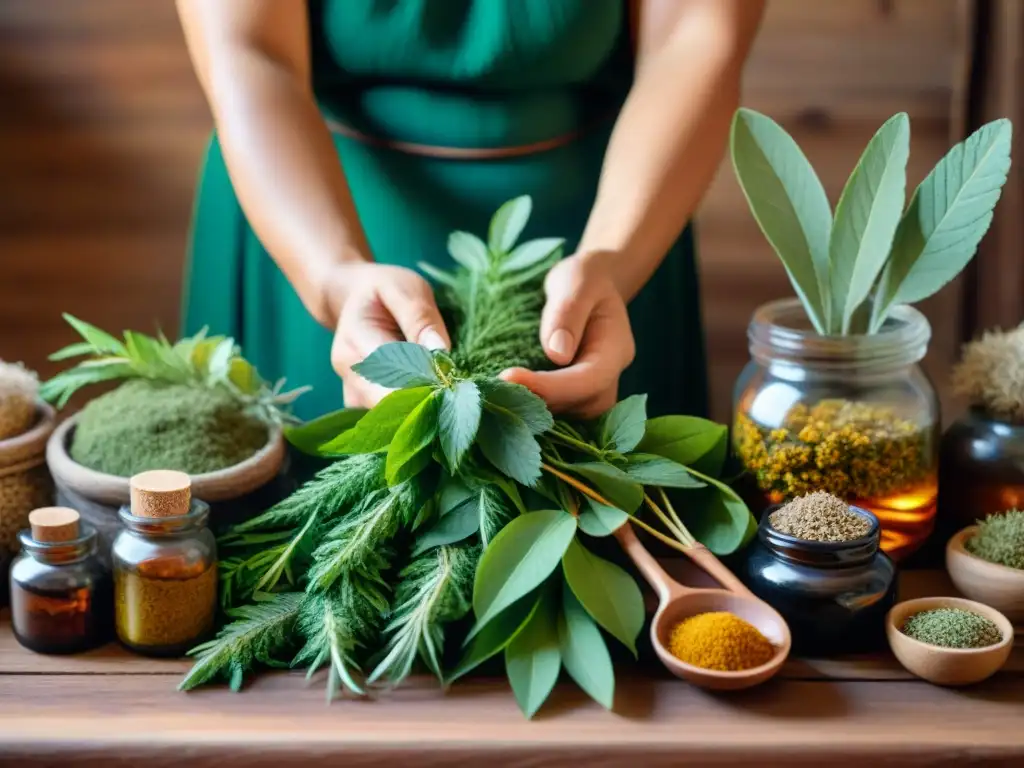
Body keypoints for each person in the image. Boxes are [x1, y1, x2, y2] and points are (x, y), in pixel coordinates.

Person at [176, 0, 765, 422]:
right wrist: (334, 277)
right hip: (305, 208)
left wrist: (613, 258)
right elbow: (249, 51)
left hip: (612, 217)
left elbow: (696, 35)